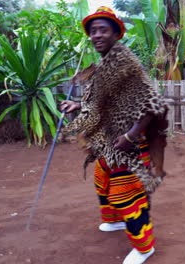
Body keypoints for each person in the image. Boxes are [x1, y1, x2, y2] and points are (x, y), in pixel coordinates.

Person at [60, 7, 168, 264]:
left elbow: (152, 104)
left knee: (125, 194)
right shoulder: (105, 65)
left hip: (127, 146)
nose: (96, 35)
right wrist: (77, 106)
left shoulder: (125, 63)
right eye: (93, 30)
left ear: (116, 34)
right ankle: (115, 222)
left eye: (103, 30)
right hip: (107, 143)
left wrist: (130, 136)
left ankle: (144, 246)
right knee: (102, 183)